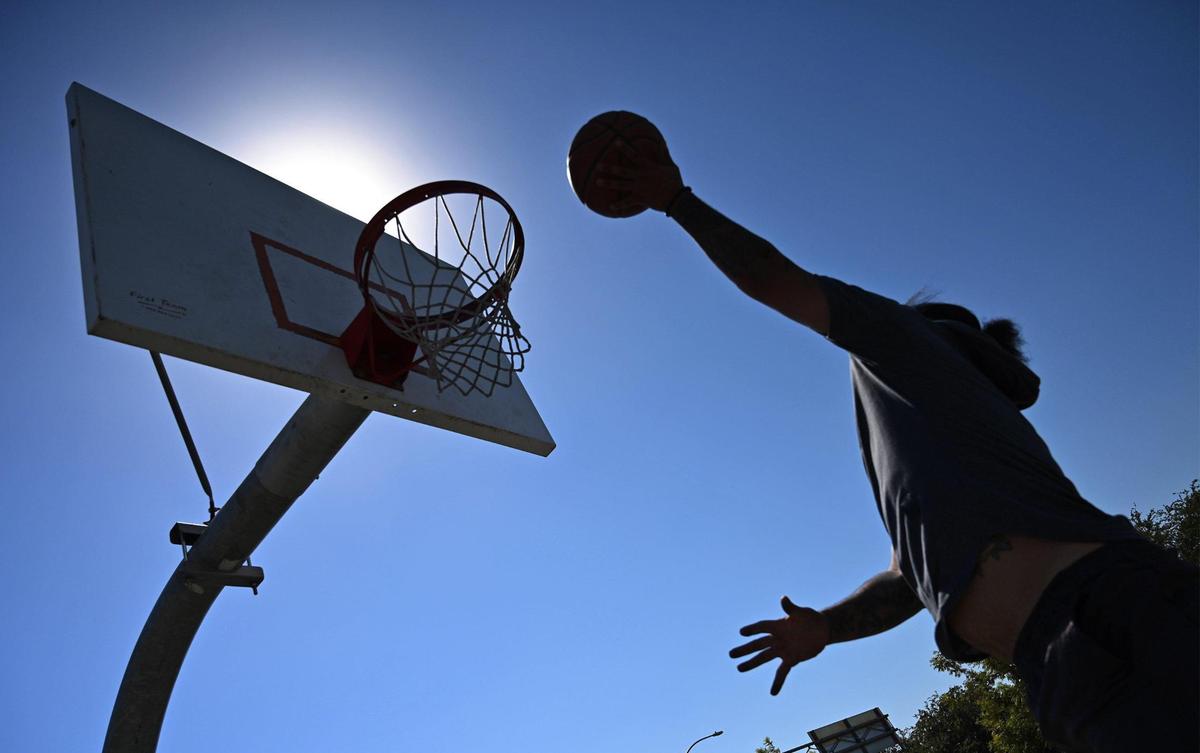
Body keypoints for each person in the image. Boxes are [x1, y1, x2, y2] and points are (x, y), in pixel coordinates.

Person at [593, 140, 1199, 753]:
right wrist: (826, 627)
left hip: (1116, 607)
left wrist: (675, 200)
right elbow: (911, 580)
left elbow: (777, 281)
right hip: (1054, 662)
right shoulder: (934, 441)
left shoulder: (903, 339)